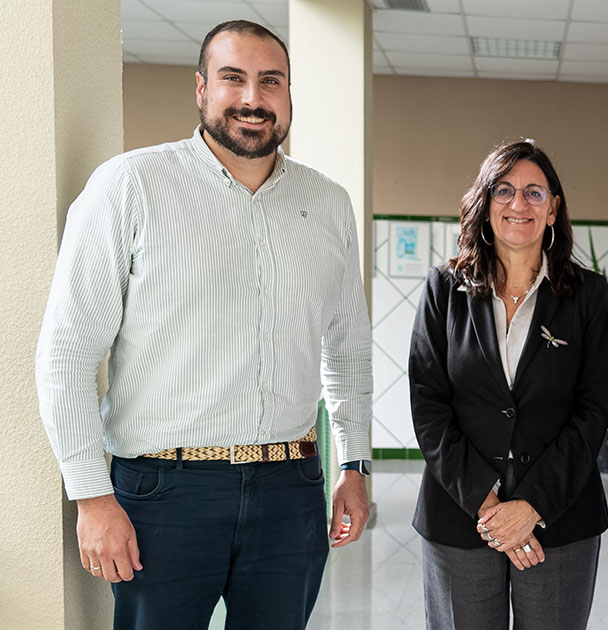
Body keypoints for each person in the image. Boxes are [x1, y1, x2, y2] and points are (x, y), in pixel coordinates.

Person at [34, 20, 372, 630]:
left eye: (271, 81)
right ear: (200, 88)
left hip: (290, 488)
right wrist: (90, 494)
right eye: (233, 78)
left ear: (289, 94)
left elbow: (345, 346)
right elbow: (66, 351)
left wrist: (353, 463)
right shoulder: (130, 186)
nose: (252, 98)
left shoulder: (327, 205)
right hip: (163, 494)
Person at [409, 140, 608, 629]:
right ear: (484, 204)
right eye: (504, 191)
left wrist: (531, 506)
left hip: (559, 522)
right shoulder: (444, 289)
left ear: (553, 208)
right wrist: (489, 504)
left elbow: (592, 410)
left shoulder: (588, 296)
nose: (518, 204)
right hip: (460, 517)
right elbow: (428, 407)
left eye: (534, 193)